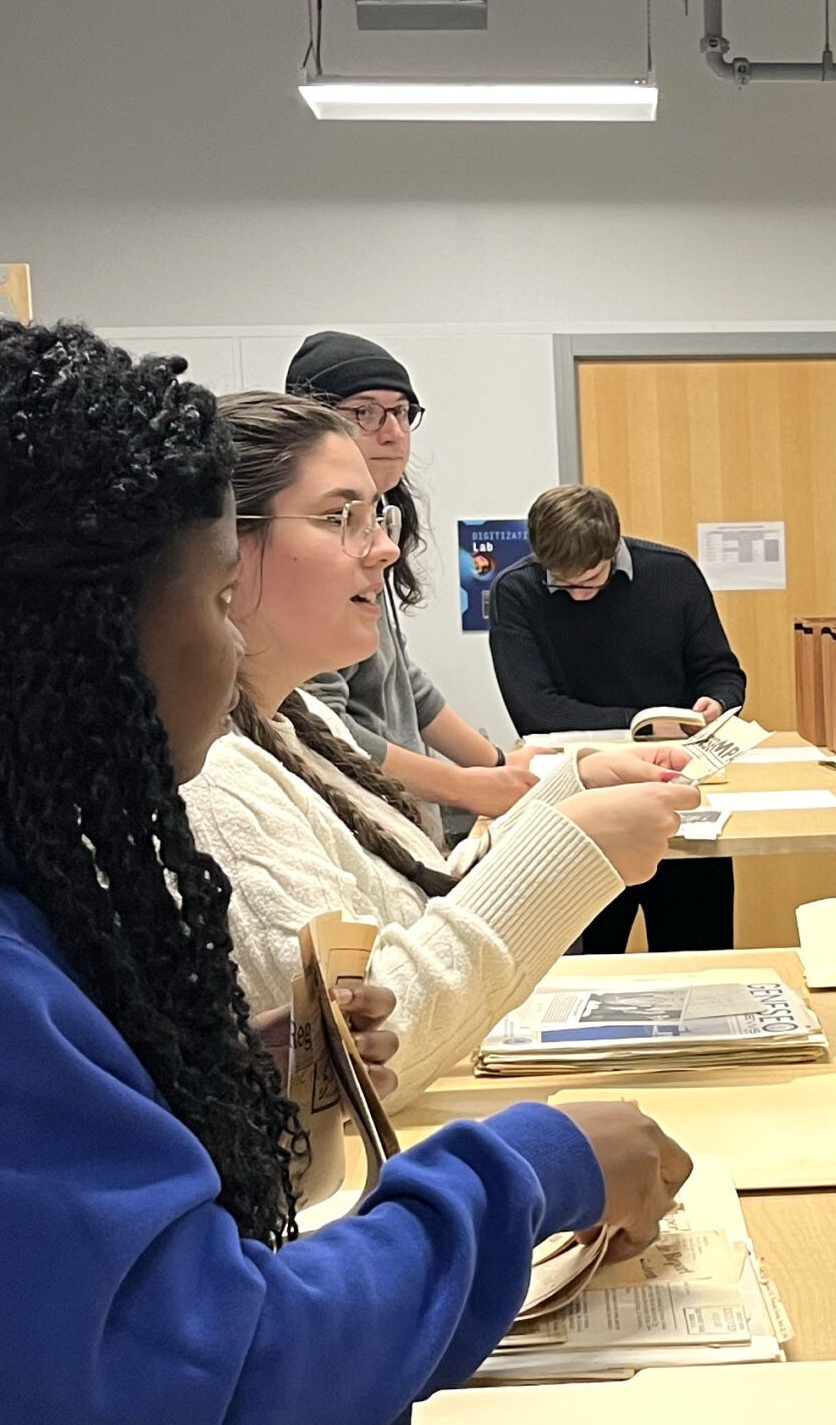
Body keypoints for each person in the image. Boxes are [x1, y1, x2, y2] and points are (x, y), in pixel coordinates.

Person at [0, 323, 690, 1425]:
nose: (232, 643)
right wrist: (527, 1173)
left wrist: (212, 1094)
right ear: (82, 635)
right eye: (217, 599)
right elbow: (202, 1396)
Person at [184, 394, 704, 1104]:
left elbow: (421, 898)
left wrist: (571, 792)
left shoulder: (294, 719)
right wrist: (569, 852)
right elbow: (357, 1056)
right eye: (341, 518)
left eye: (378, 517)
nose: (384, 547)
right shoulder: (208, 780)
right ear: (222, 549)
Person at [285, 330, 536, 834]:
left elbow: (405, 685)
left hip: (399, 820)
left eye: (402, 412)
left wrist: (496, 766)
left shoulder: (376, 527)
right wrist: (464, 786)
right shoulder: (305, 553)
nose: (393, 432)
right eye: (366, 412)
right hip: (354, 819)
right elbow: (317, 723)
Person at [489, 484, 747, 954]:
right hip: (581, 809)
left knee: (698, 961)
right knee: (586, 969)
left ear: (614, 550)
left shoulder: (673, 573)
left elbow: (723, 672)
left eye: (591, 581)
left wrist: (715, 700)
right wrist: (641, 725)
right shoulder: (518, 591)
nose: (578, 596)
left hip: (677, 795)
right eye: (562, 584)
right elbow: (535, 709)